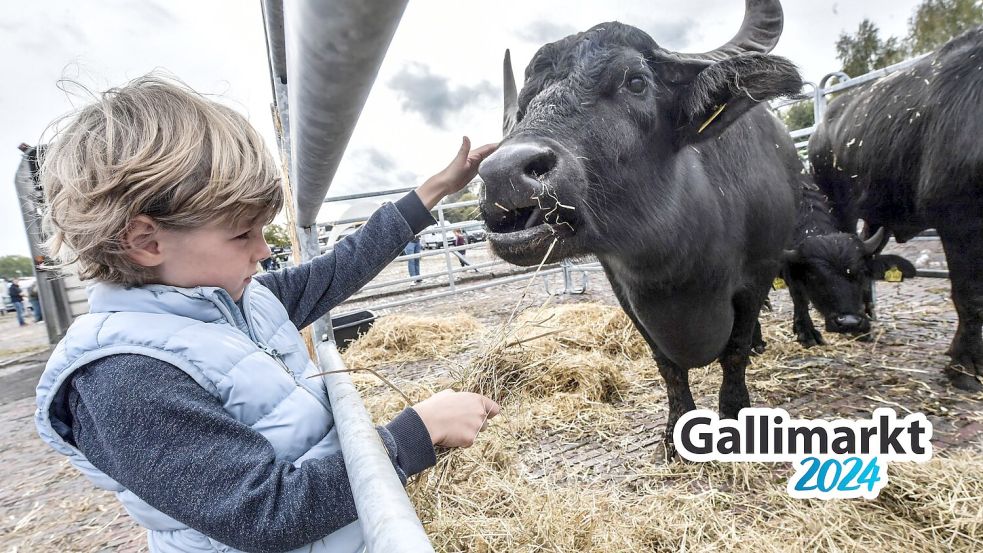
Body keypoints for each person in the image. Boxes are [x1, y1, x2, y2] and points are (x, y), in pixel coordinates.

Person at [34, 74, 499, 553]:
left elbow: (340, 267)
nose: (262, 251)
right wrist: (415, 433)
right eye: (242, 234)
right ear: (146, 241)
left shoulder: (242, 301)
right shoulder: (124, 379)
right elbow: (266, 513)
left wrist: (435, 189)